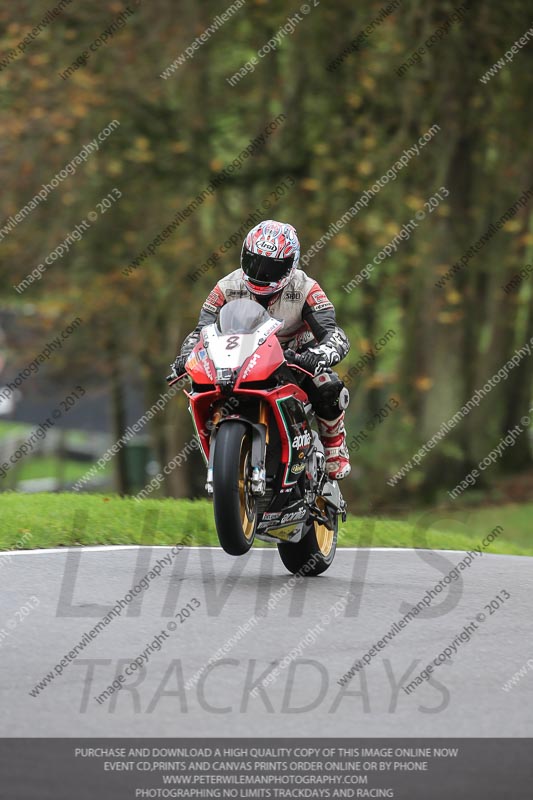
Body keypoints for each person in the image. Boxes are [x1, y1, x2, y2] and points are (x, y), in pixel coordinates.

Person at [171, 220, 351, 479]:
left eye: (272, 267)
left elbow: (333, 332)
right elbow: (201, 331)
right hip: (240, 362)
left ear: (291, 264)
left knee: (327, 385)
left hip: (293, 361)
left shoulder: (306, 288)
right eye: (254, 262)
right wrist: (186, 357)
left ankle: (334, 444)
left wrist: (320, 355)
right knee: (201, 387)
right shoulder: (226, 286)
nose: (261, 273)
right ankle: (223, 451)